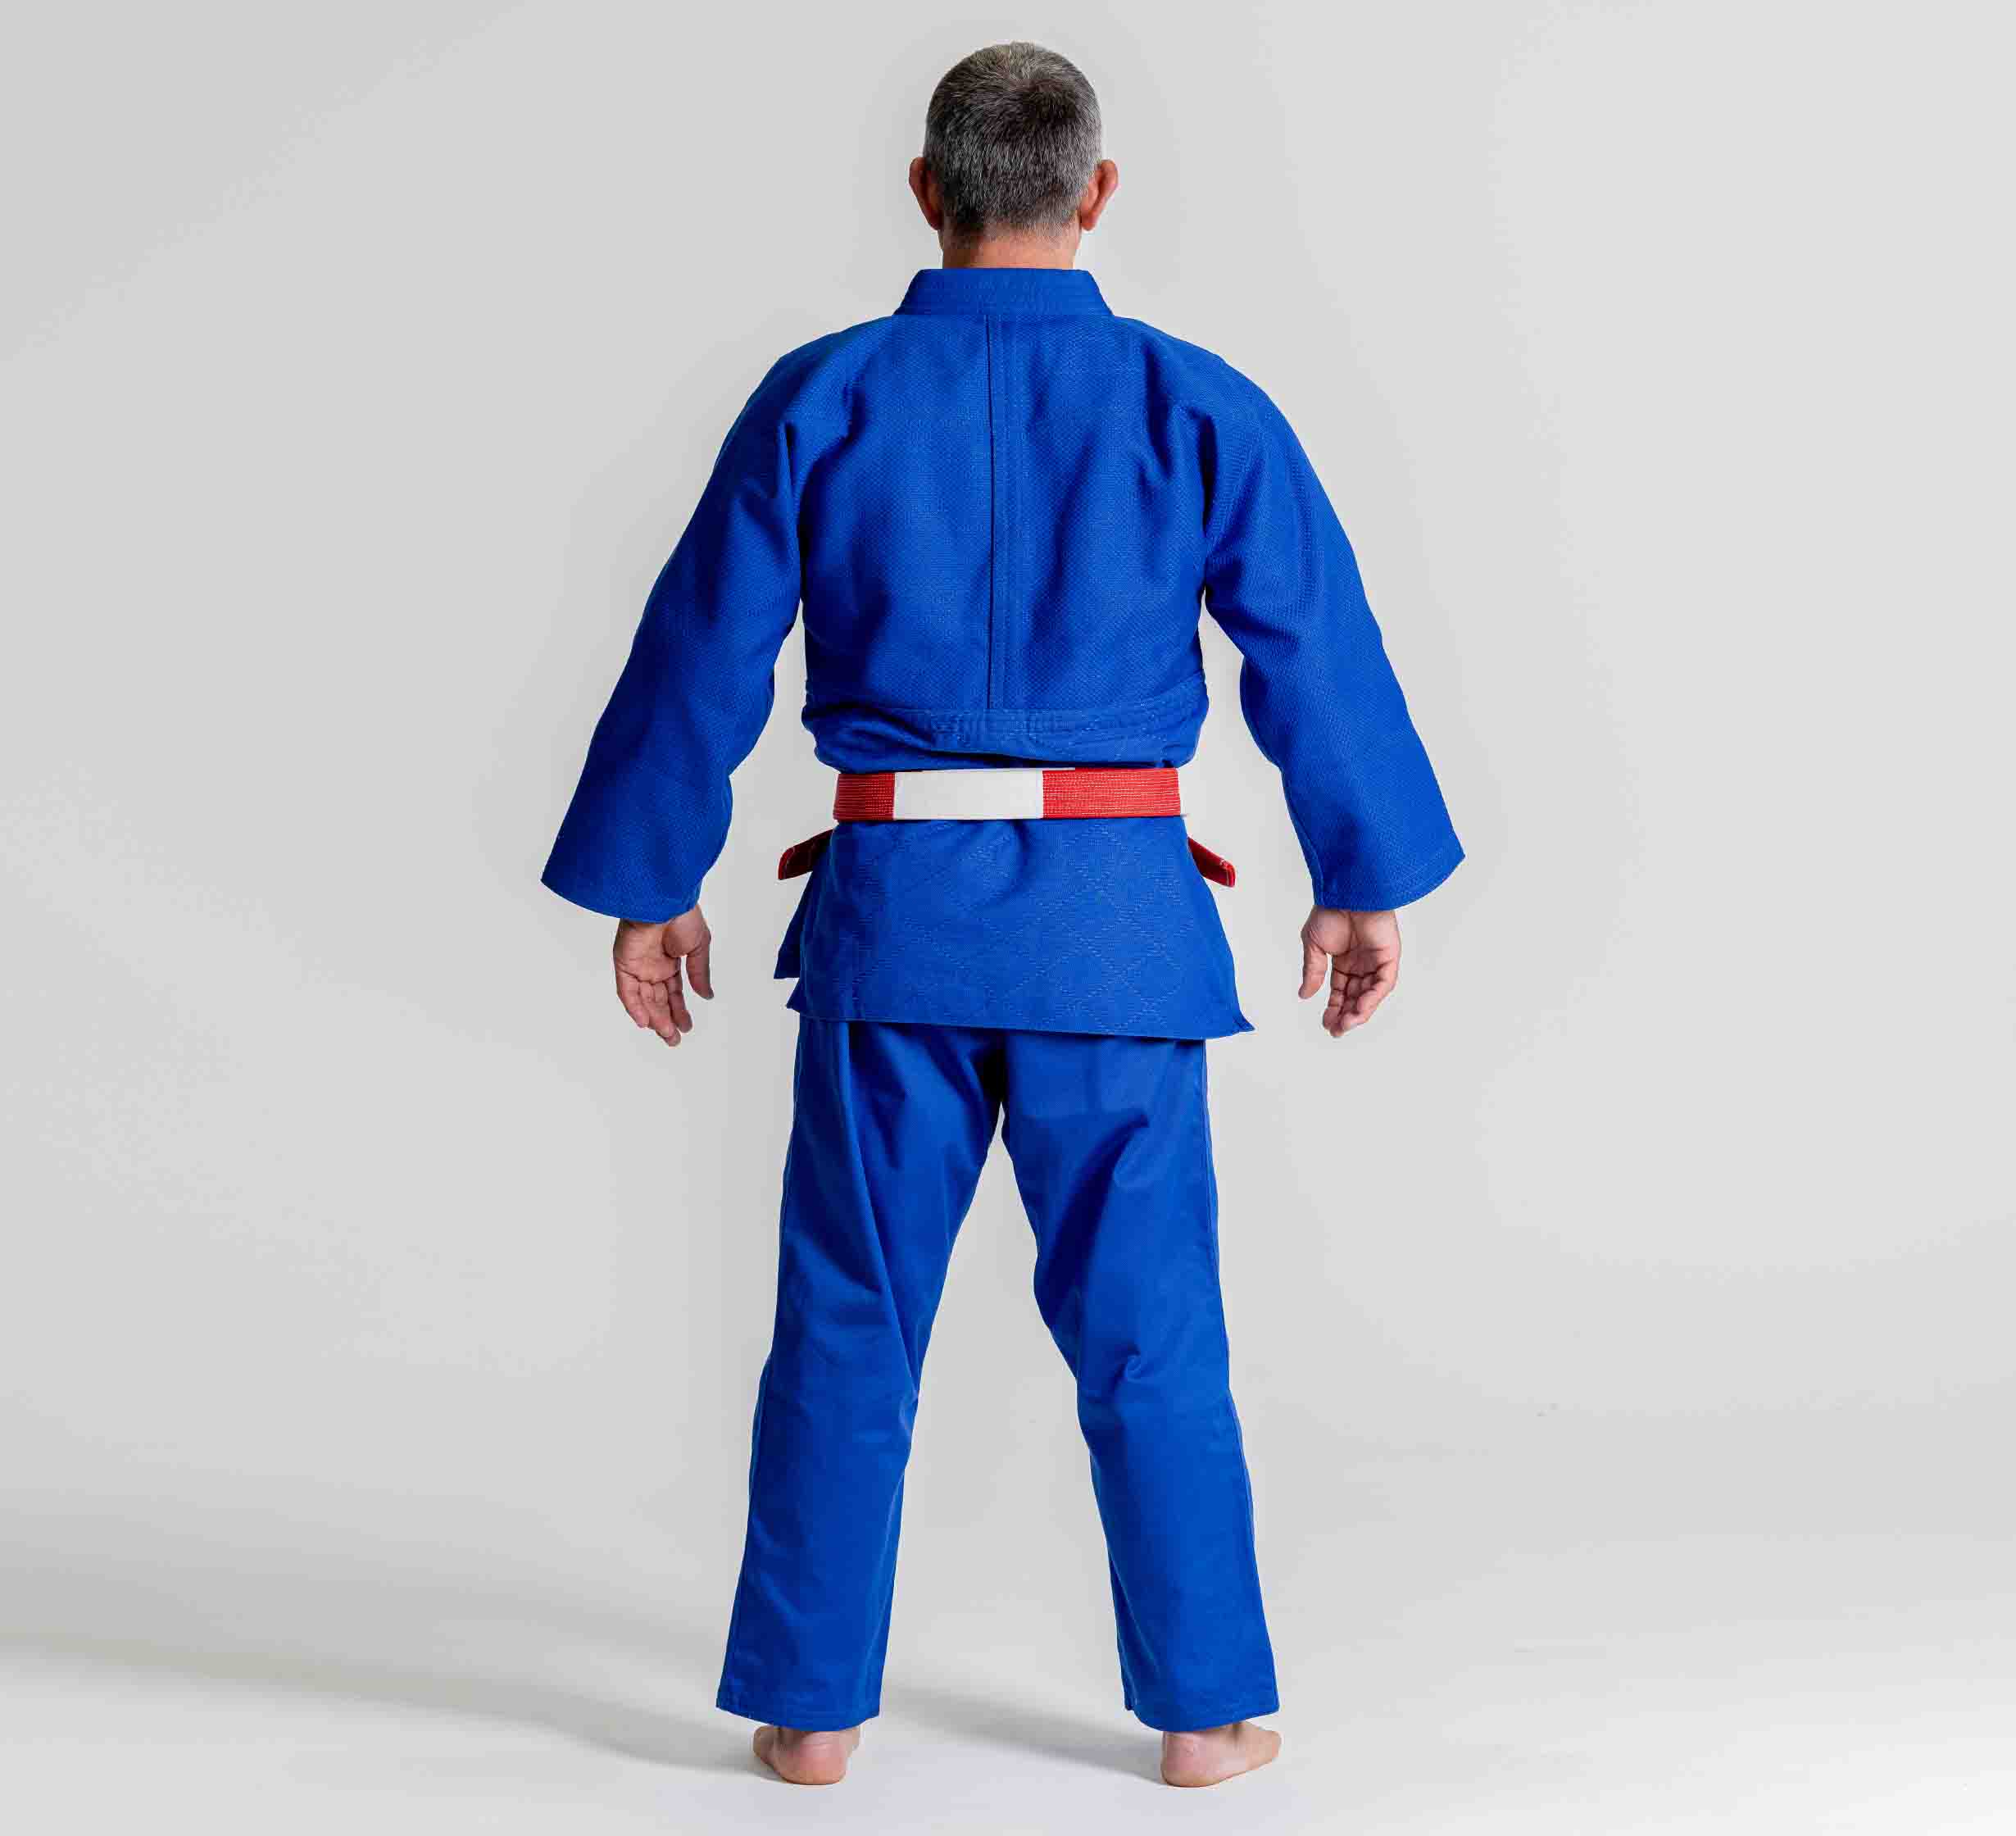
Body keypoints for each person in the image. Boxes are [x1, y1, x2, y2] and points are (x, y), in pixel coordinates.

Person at [542, 41, 1462, 1789]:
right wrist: (1358, 881)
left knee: (849, 1317)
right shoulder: (1196, 404)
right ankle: (1207, 1715)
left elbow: (700, 654)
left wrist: (651, 883)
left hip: (899, 931)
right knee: (1152, 1328)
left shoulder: (827, 395)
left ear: (926, 190)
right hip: (1118, 940)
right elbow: (1315, 656)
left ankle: (809, 1716)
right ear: (1098, 192)